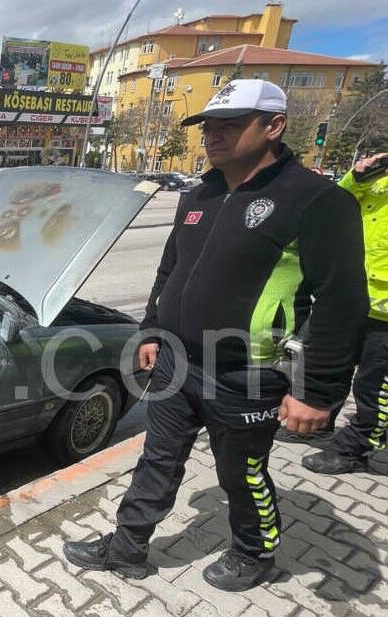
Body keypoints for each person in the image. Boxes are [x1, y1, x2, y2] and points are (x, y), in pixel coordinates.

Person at [62, 79, 367, 592]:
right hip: (178, 364)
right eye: (208, 126)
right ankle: (126, 547)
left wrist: (318, 391)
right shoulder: (200, 192)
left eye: (230, 124)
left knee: (241, 474)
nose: (214, 135)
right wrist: (152, 330)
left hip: (247, 375)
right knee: (157, 458)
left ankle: (254, 552)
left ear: (274, 126)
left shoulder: (316, 200)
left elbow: (343, 301)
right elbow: (171, 267)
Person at [301, 152, 388, 473]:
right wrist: (359, 174)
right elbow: (336, 201)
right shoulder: (378, 183)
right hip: (353, 300)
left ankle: (354, 450)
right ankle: (320, 421)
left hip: (385, 315)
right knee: (328, 367)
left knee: (374, 389)